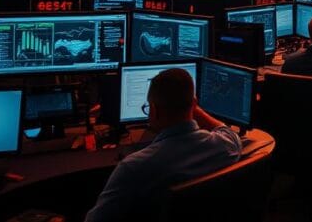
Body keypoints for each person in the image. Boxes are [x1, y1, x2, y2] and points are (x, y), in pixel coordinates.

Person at [86, 69, 241, 222]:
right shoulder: (225, 145)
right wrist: (191, 106)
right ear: (194, 104)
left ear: (153, 110)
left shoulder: (133, 167)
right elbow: (226, 130)